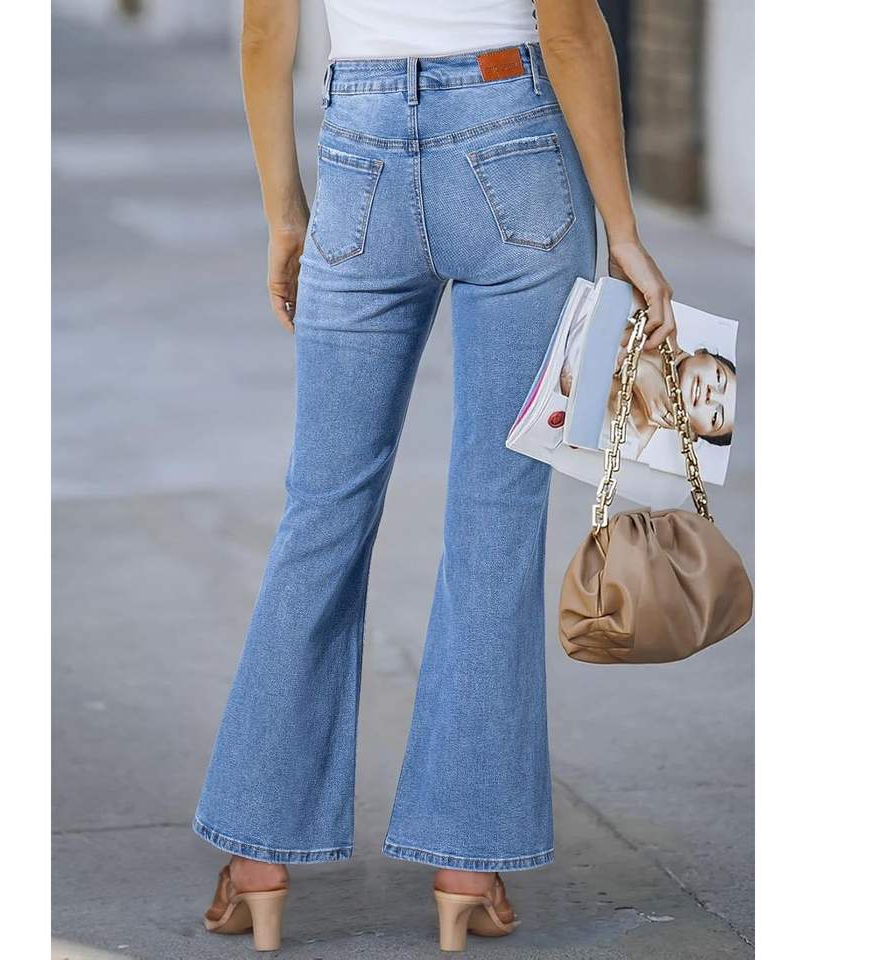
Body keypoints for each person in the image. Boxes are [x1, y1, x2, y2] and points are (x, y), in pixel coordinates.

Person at [195, 0, 675, 951]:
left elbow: (264, 32)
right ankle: (467, 863)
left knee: (321, 509)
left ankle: (256, 857)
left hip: (360, 146)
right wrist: (623, 231)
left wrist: (285, 215)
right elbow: (572, 30)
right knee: (497, 517)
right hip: (515, 140)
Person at [602, 344, 736, 459]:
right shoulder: (651, 324)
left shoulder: (622, 446)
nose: (711, 395)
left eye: (715, 417)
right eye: (719, 378)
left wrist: (638, 372)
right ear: (701, 352)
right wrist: (633, 366)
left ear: (691, 434)